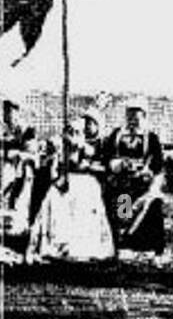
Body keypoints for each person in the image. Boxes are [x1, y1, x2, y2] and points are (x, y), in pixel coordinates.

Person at [25, 112, 115, 264]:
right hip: (65, 182)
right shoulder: (61, 150)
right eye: (71, 132)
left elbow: (103, 167)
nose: (74, 136)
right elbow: (54, 170)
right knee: (55, 201)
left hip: (86, 182)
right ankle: (57, 245)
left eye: (77, 132)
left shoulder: (95, 147)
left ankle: (84, 246)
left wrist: (89, 166)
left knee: (88, 201)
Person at [102, 99, 168, 265]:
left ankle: (152, 250)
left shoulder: (151, 138)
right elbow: (107, 157)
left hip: (143, 185)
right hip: (122, 183)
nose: (133, 121)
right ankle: (126, 246)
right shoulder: (117, 135)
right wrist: (118, 165)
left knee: (151, 209)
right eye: (130, 117)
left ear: (144, 117)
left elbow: (158, 164)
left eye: (136, 118)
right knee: (124, 214)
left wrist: (147, 172)